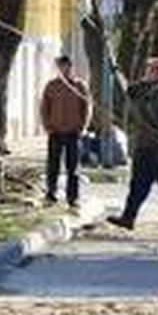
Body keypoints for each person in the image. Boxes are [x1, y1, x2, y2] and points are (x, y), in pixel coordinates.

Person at [107, 56, 158, 230]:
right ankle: (128, 218)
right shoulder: (143, 90)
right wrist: (117, 70)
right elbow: (128, 91)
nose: (147, 72)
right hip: (143, 144)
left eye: (151, 70)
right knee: (138, 183)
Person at [40, 55, 91, 208]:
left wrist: (83, 126)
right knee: (53, 165)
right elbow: (44, 108)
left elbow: (87, 107)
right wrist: (47, 125)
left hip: (73, 132)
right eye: (60, 66)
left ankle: (73, 197)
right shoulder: (51, 86)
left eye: (66, 66)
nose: (63, 69)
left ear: (70, 67)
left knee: (73, 167)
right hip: (55, 131)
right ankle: (51, 194)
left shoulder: (79, 86)